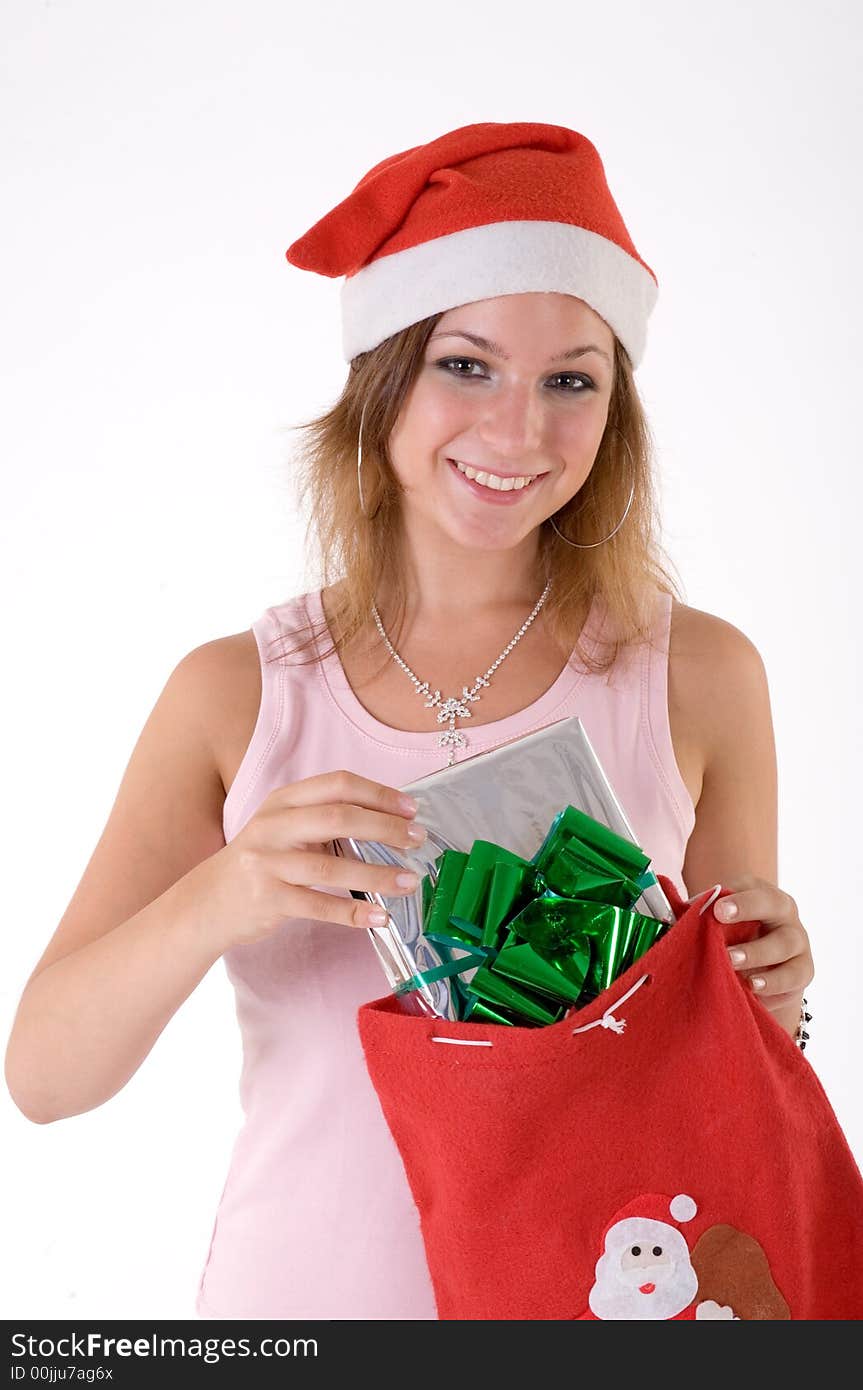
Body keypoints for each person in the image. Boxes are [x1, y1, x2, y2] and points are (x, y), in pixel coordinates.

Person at [3, 120, 814, 1320]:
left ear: (614, 410)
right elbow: (45, 1077)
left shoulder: (695, 674)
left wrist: (780, 991)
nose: (517, 433)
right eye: (466, 364)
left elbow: (740, 1070)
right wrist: (229, 886)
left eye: (571, 381)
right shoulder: (238, 692)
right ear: (383, 379)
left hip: (595, 1307)